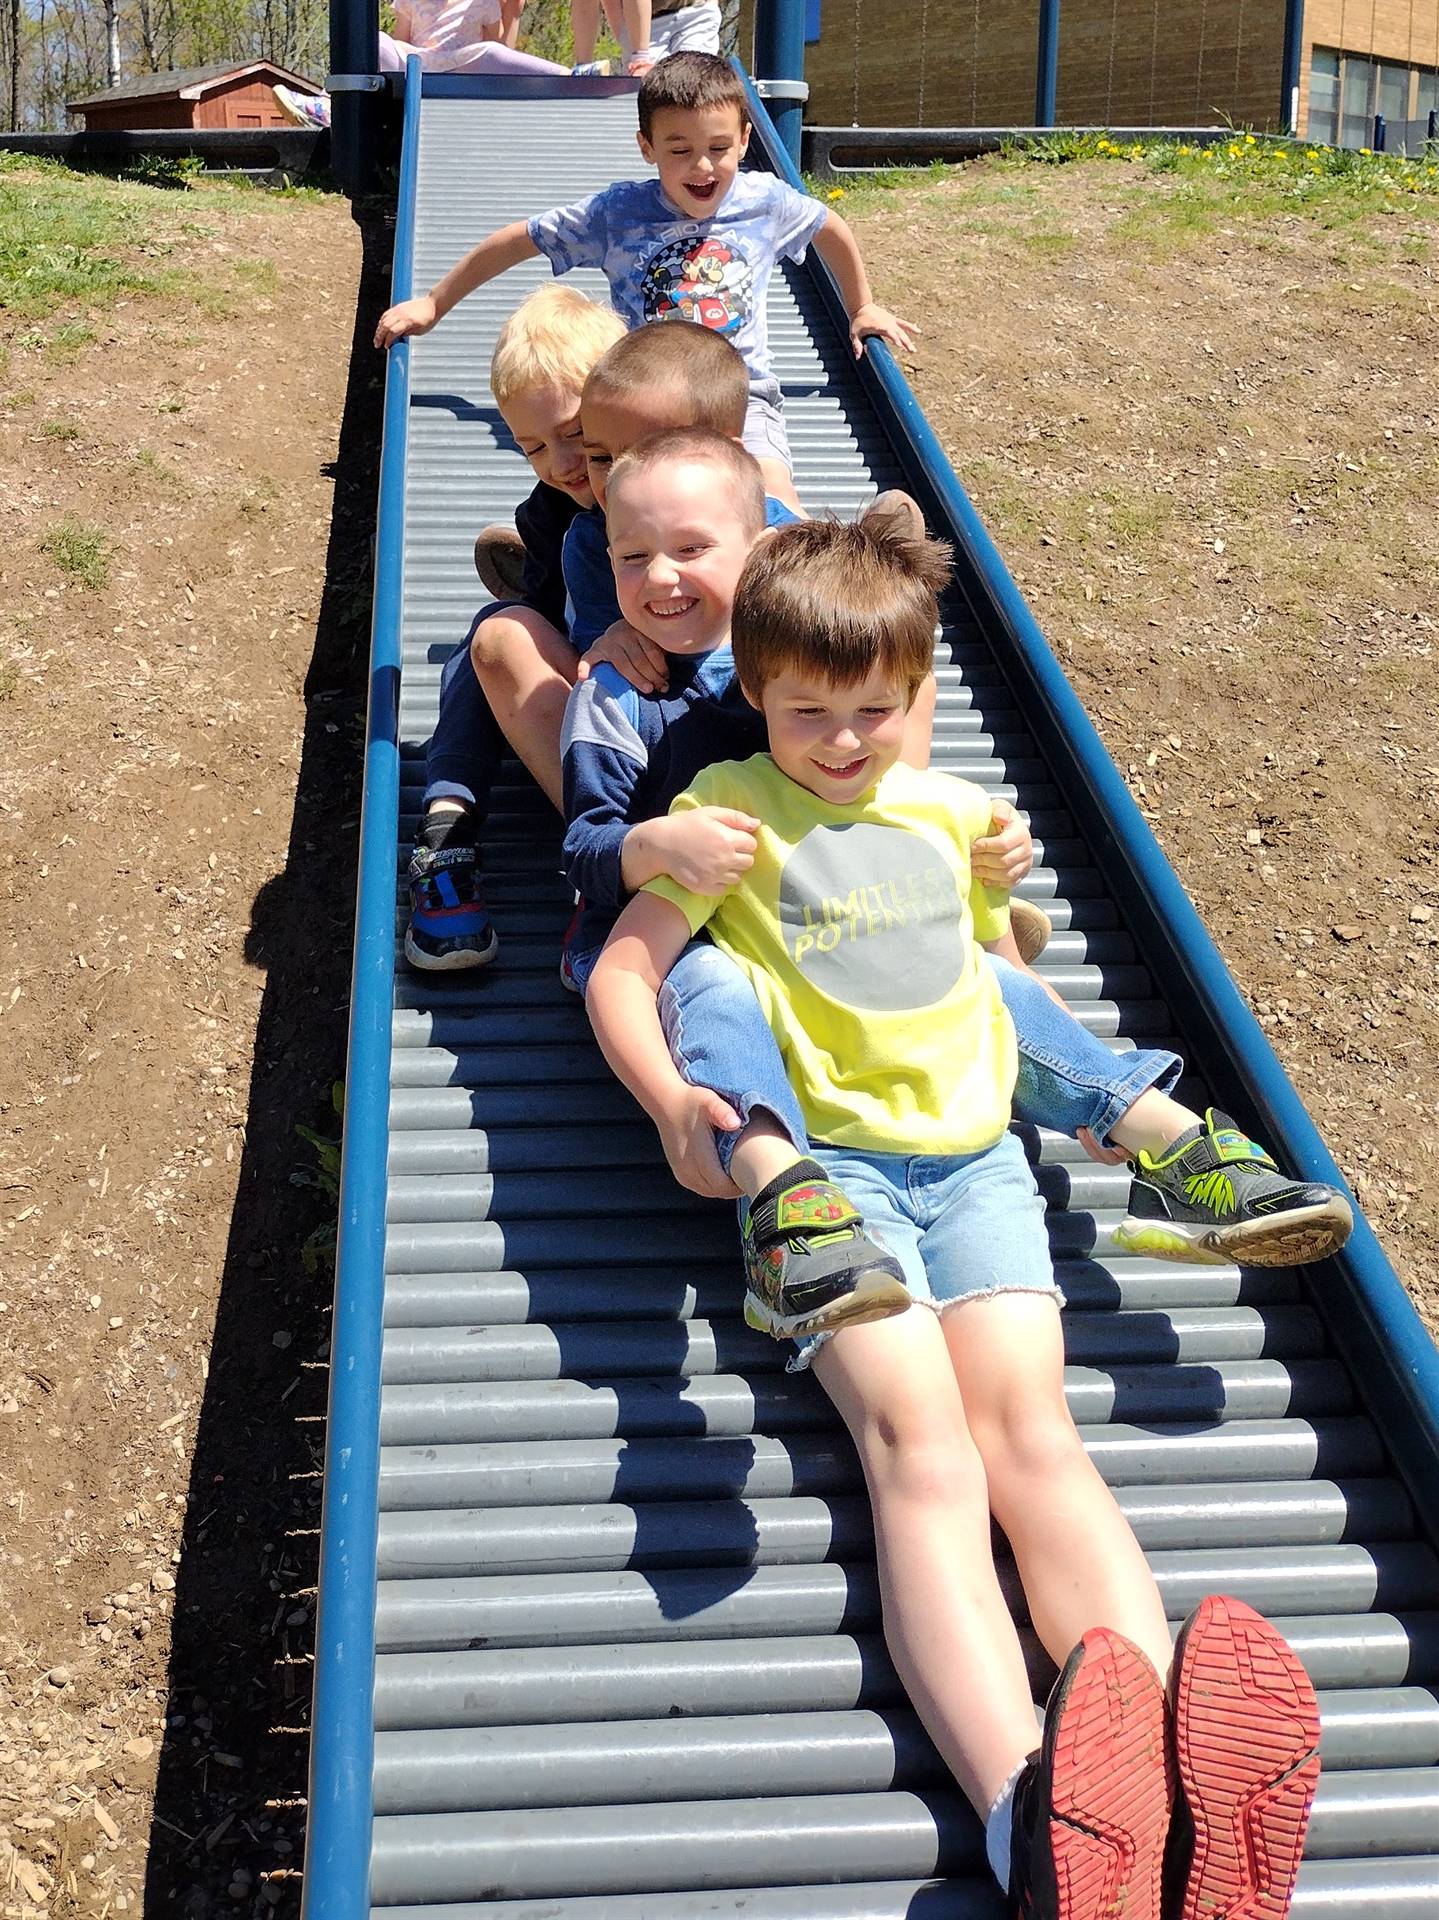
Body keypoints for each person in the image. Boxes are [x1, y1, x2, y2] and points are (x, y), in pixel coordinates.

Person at [583, 505, 1324, 1919]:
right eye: (810, 712)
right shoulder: (728, 822)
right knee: (920, 1453)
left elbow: (987, 970)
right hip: (836, 1180)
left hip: (975, 1160)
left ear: (914, 694)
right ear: (754, 690)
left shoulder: (937, 806)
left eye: (875, 710)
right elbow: (629, 973)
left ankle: (1175, 1801)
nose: (846, 742)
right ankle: (1027, 1821)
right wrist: (677, 1106)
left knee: (1030, 1436)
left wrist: (1010, 900)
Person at [373, 51, 917, 511]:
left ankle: (838, 561)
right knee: (630, 505)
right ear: (647, 147)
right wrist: (434, 303)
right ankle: (548, 562)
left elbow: (831, 227)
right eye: (679, 151)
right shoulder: (619, 215)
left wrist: (861, 306)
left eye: (718, 148)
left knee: (768, 495)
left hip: (741, 395)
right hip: (645, 401)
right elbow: (519, 239)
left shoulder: (765, 203)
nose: (702, 167)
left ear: (746, 139)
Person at [406, 285, 625, 970]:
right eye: (532, 447)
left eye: (573, 436)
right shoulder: (551, 509)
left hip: (668, 727)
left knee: (502, 623)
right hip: (581, 705)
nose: (560, 465)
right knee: (494, 633)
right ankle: (447, 826)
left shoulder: (688, 494)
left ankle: (612, 881)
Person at [275, 0, 585, 132]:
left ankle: (573, 77)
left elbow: (502, 57)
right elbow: (399, 41)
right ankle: (330, 105)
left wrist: (513, 15)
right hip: (417, 66)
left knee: (490, 51)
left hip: (461, 70)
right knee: (377, 40)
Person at [572, 0, 721, 75]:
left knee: (692, 79)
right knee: (647, 96)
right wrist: (583, 66)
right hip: (645, 25)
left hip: (696, 12)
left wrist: (640, 59)